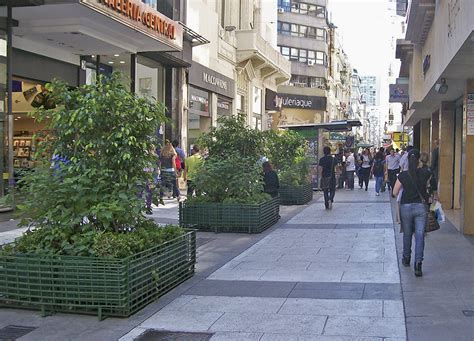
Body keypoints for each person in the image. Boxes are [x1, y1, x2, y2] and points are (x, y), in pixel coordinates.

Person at [392, 149, 438, 277]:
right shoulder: (425, 172)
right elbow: (432, 186)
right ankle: (418, 264)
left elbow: (394, 192)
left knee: (407, 234)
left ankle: (406, 258)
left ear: (407, 160)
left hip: (405, 206)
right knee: (419, 235)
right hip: (421, 207)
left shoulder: (403, 175)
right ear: (418, 160)